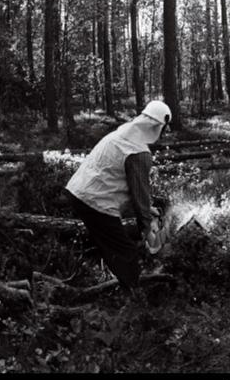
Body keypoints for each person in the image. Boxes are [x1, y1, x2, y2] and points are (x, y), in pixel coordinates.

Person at [64, 101, 172, 290]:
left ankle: (119, 282)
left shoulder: (124, 132)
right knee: (126, 253)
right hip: (95, 200)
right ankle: (135, 300)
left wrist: (147, 209)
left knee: (112, 245)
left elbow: (121, 181)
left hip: (78, 191)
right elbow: (139, 194)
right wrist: (148, 229)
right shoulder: (139, 152)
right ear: (158, 127)